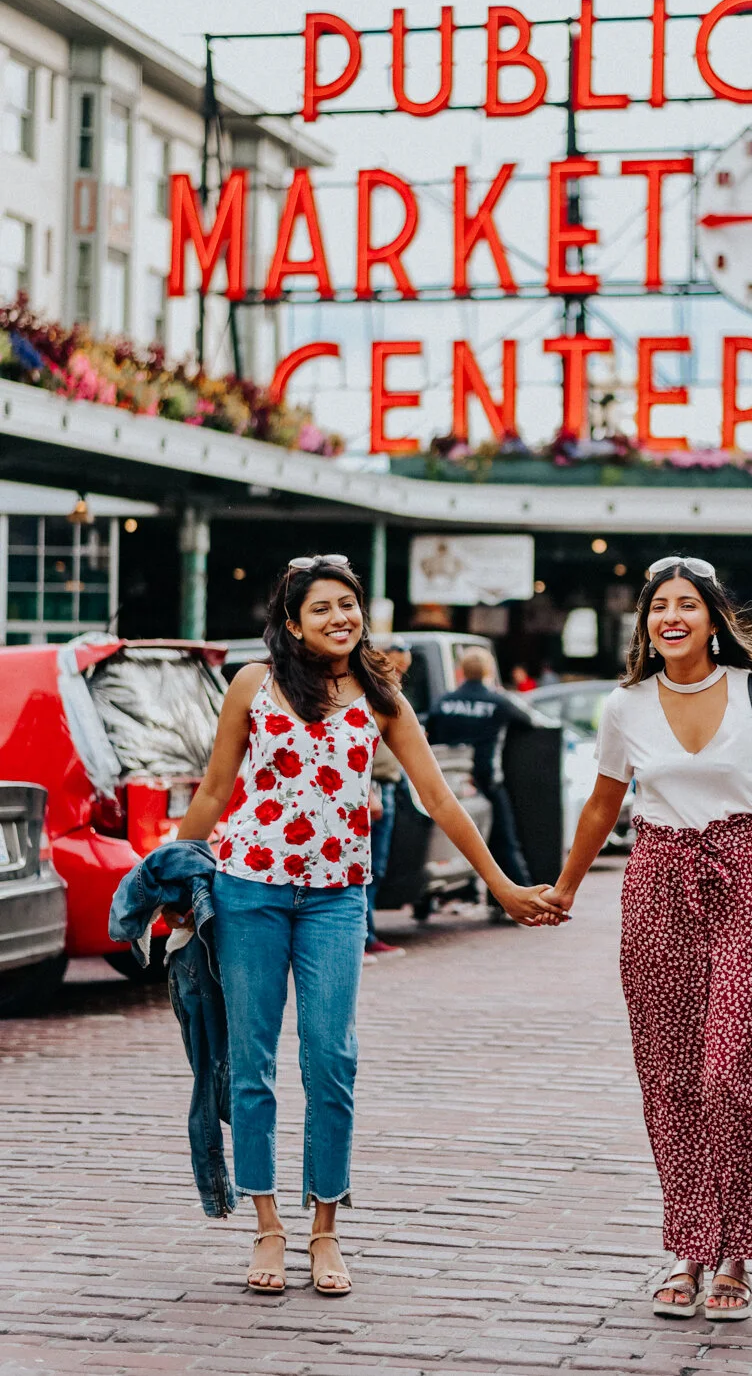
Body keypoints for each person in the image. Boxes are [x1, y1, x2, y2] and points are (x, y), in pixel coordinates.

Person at [169, 556, 565, 1297]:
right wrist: (164, 876)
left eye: (347, 605)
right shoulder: (253, 686)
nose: (339, 618)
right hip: (248, 891)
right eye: (320, 609)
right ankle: (266, 1226)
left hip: (335, 900)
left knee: (331, 1062)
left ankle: (324, 1228)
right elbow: (215, 790)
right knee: (251, 1064)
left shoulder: (381, 698)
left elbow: (442, 800)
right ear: (291, 622)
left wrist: (502, 885)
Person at [540, 556, 752, 1321]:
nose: (672, 617)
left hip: (749, 877)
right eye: (658, 606)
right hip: (658, 882)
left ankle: (741, 1250)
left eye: (687, 606)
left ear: (712, 619)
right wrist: (566, 887)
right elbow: (604, 806)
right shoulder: (625, 704)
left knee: (730, 1066)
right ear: (646, 623)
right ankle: (693, 1244)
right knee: (670, 1077)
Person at [427, 649, 536, 911]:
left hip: (448, 785)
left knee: (445, 842)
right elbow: (530, 722)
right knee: (503, 843)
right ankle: (514, 901)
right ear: (488, 671)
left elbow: (430, 733)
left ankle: (431, 900)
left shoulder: (443, 702)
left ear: (460, 671)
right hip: (486, 783)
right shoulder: (497, 702)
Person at [364, 736, 404, 960]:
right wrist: (367, 791)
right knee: (363, 869)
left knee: (375, 868)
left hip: (385, 784)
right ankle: (362, 940)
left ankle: (367, 937)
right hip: (370, 785)